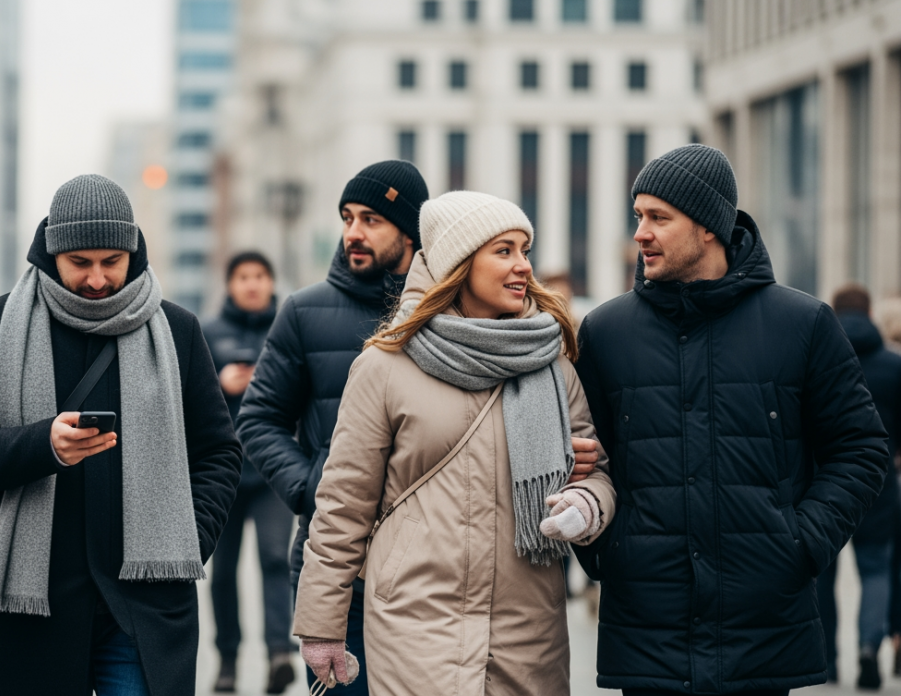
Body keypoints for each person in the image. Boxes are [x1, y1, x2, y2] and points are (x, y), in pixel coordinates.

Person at [572, 144, 890, 696]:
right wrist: (605, 550)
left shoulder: (804, 324)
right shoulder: (605, 333)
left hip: (764, 632)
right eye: (638, 217)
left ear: (709, 227)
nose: (640, 233)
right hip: (649, 632)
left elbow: (859, 448)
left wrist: (800, 543)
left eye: (658, 218)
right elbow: (580, 457)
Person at [293, 191, 616, 695]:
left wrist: (585, 503)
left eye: (524, 251)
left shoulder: (550, 360)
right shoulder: (384, 366)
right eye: (503, 251)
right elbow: (342, 506)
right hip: (413, 624)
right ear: (458, 262)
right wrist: (321, 626)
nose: (523, 268)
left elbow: (595, 471)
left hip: (528, 630)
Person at [0, 174, 242, 696]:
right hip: (37, 607)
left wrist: (188, 538)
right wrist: (42, 446)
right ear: (51, 254)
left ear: (133, 252)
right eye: (80, 263)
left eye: (111, 261)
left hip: (144, 608)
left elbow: (217, 453)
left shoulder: (178, 330)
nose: (98, 279)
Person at [237, 159, 429, 696]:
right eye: (347, 217)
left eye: (371, 219)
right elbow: (258, 417)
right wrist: (311, 486)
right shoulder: (303, 311)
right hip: (335, 572)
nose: (353, 233)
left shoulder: (446, 313)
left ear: (412, 233)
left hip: (428, 573)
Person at [201, 251, 295, 694]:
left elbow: (303, 389)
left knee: (277, 560)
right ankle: (228, 661)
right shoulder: (208, 333)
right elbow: (191, 399)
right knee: (223, 571)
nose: (253, 284)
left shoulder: (287, 328)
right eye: (244, 277)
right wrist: (221, 385)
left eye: (260, 275)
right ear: (231, 284)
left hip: (273, 470)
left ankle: (280, 654)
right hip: (221, 474)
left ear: (271, 282)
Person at [819, 285, 901, 689]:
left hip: (822, 483)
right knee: (876, 571)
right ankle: (869, 647)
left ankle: (827, 661)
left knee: (821, 574)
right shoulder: (893, 365)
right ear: (869, 313)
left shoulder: (817, 358)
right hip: (879, 482)